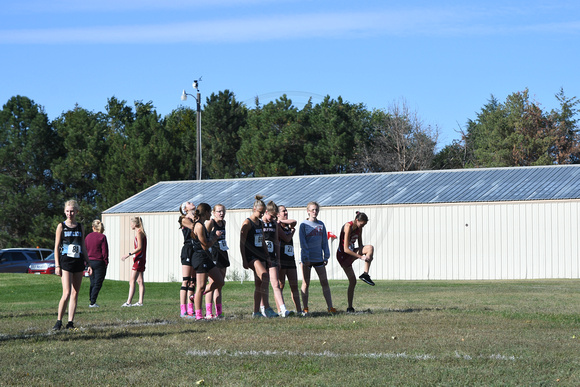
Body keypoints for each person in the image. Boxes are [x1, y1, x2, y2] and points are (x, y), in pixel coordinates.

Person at [53, 199, 93, 330]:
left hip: (78, 261)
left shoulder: (80, 226)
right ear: (64, 211)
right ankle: (59, 321)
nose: (70, 213)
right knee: (66, 292)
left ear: (76, 211)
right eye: (67, 211)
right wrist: (57, 265)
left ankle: (70, 322)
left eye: (72, 211)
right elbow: (56, 246)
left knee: (75, 293)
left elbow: (83, 246)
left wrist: (88, 263)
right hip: (66, 262)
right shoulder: (61, 226)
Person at [240, 195, 276, 318]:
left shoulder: (260, 223)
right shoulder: (247, 223)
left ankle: (256, 312)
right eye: (260, 212)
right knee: (265, 276)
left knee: (259, 284)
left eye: (263, 212)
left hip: (261, 255)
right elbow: (242, 242)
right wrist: (244, 259)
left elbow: (262, 241)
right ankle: (267, 308)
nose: (262, 215)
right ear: (254, 209)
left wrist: (268, 256)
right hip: (252, 256)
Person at [299, 201, 336, 315]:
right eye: (312, 210)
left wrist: (326, 255)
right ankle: (305, 308)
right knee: (306, 283)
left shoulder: (321, 225)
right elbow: (303, 242)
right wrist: (306, 258)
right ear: (308, 211)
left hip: (318, 258)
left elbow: (325, 241)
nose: (314, 212)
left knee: (324, 282)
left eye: (316, 210)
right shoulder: (303, 225)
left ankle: (330, 307)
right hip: (307, 259)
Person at [190, 203, 225, 320]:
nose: (211, 214)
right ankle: (199, 314)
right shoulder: (199, 226)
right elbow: (205, 245)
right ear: (205, 212)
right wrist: (215, 238)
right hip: (200, 257)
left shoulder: (202, 225)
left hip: (206, 257)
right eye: (210, 212)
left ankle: (195, 296)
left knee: (220, 281)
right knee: (200, 286)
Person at [337, 211, 375, 313]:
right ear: (357, 220)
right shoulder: (348, 226)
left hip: (351, 252)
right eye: (362, 224)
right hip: (343, 256)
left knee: (370, 248)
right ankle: (349, 306)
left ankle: (365, 274)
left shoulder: (359, 228)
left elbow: (361, 245)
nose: (362, 226)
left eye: (364, 225)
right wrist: (360, 257)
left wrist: (368, 256)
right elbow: (345, 249)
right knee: (352, 281)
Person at [261, 201, 291, 317]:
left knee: (276, 284)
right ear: (266, 212)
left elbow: (276, 242)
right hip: (262, 257)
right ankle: (263, 308)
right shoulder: (260, 224)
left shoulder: (274, 224)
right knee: (263, 284)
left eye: (274, 217)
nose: (272, 219)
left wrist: (278, 259)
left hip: (272, 256)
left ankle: (283, 309)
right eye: (271, 216)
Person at [204, 204, 230, 319]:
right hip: (213, 254)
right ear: (214, 213)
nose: (221, 213)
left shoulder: (223, 223)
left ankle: (219, 312)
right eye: (219, 211)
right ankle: (209, 311)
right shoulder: (210, 223)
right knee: (213, 283)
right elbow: (204, 237)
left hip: (223, 253)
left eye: (223, 211)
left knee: (220, 285)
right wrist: (214, 237)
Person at [277, 205, 302, 315]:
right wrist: (292, 232)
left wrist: (289, 227)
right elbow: (287, 238)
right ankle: (280, 310)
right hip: (281, 259)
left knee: (294, 285)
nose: (286, 212)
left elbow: (294, 221)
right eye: (283, 211)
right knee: (281, 285)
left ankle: (299, 310)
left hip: (290, 259)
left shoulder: (287, 226)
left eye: (286, 210)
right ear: (277, 214)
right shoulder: (277, 226)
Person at [121, 216, 147, 307]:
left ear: (135, 224)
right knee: (140, 280)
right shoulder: (140, 232)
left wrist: (128, 254)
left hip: (139, 259)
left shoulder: (139, 233)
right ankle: (140, 302)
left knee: (132, 281)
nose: (130, 225)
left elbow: (139, 247)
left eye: (131, 223)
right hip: (140, 258)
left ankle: (128, 302)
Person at [178, 202, 196, 318]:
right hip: (188, 249)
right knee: (185, 280)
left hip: (196, 250)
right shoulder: (185, 219)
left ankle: (191, 308)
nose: (192, 203)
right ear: (185, 209)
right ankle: (183, 309)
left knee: (193, 281)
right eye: (189, 203)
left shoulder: (196, 218)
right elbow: (195, 227)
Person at [85, 219, 109, 308]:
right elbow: (105, 252)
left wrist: (86, 263)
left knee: (92, 282)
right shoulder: (102, 237)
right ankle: (92, 301)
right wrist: (106, 262)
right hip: (99, 262)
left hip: (90, 262)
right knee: (98, 283)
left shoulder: (87, 237)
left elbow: (85, 249)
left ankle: (91, 299)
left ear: (93, 227)